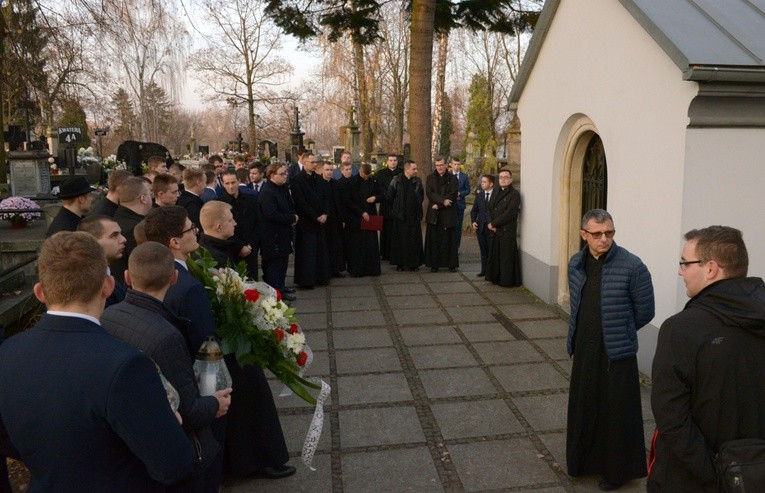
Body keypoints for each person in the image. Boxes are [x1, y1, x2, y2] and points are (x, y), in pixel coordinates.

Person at [0, 232, 196, 491]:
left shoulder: (8, 351)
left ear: (39, 292)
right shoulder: (126, 365)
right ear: (107, 287)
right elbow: (174, 465)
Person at [102, 242, 232, 493]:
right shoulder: (166, 337)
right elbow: (189, 409)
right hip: (176, 457)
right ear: (174, 279)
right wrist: (217, 404)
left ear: (127, 278)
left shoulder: (110, 315)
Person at [647, 226, 765, 493]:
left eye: (685, 263)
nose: (680, 271)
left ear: (711, 269)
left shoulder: (680, 329)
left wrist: (717, 475)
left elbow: (671, 418)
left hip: (694, 480)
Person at [566, 209, 655, 491]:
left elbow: (645, 311)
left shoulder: (633, 266)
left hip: (617, 352)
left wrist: (622, 331)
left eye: (610, 233)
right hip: (584, 348)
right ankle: (583, 462)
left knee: (615, 413)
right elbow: (577, 306)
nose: (604, 239)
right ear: (584, 235)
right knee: (585, 406)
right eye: (597, 234)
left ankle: (617, 472)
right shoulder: (576, 263)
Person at [290, 151, 331, 289]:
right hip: (307, 222)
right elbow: (300, 202)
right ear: (304, 162)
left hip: (321, 221)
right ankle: (306, 280)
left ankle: (321, 276)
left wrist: (325, 213)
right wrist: (315, 217)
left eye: (316, 162)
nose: (315, 165)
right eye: (312, 162)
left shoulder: (319, 179)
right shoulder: (297, 180)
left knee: (320, 250)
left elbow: (327, 197)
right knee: (307, 252)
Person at [258, 162, 298, 301]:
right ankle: (275, 292)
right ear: (272, 175)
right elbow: (271, 214)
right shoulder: (268, 192)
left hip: (283, 234)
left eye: (286, 173)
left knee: (283, 262)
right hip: (272, 236)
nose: (286, 176)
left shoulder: (282, 188)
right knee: (274, 266)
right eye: (282, 174)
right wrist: (291, 218)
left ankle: (281, 287)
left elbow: (289, 204)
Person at [78, 215, 128, 307]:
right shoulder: (91, 285)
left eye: (120, 234)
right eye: (114, 235)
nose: (123, 239)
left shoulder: (105, 274)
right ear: (92, 241)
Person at [218, 170, 260, 281]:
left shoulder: (251, 199)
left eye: (233, 182)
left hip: (251, 249)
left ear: (238, 181)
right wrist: (240, 247)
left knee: (252, 282)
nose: (231, 186)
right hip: (231, 250)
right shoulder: (219, 203)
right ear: (223, 184)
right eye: (227, 183)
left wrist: (250, 245)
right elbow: (221, 230)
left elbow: (259, 223)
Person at [112, 176, 154, 285]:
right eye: (150, 194)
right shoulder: (137, 229)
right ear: (143, 198)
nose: (152, 198)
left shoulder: (116, 220)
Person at [343, 163, 382, 277]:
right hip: (356, 217)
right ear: (360, 172)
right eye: (365, 175)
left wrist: (375, 198)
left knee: (371, 243)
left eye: (368, 175)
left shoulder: (374, 181)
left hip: (370, 216)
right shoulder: (352, 182)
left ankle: (372, 269)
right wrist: (361, 212)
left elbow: (382, 195)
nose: (366, 177)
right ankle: (357, 270)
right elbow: (348, 201)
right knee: (357, 244)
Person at [485, 168, 522, 287]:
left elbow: (509, 213)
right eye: (501, 177)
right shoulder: (495, 191)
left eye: (506, 177)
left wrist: (494, 224)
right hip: (495, 230)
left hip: (506, 230)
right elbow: (489, 208)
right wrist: (491, 224)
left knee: (506, 258)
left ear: (511, 180)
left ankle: (506, 281)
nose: (503, 179)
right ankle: (495, 278)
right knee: (495, 257)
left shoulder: (514, 194)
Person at [387, 160, 424, 271]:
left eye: (416, 169)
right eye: (414, 169)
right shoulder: (396, 180)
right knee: (400, 240)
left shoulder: (417, 182)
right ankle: (400, 263)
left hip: (413, 216)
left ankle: (414, 263)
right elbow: (389, 197)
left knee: (414, 241)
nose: (416, 171)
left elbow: (421, 197)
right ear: (407, 169)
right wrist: (395, 211)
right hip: (400, 216)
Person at [424, 156, 459, 272]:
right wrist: (442, 201)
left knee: (449, 240)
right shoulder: (430, 178)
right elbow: (430, 193)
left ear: (446, 165)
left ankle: (451, 265)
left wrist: (440, 205)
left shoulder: (453, 179)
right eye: (437, 165)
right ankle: (434, 265)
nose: (439, 167)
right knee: (434, 240)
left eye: (441, 165)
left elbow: (453, 194)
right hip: (434, 214)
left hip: (448, 213)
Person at [319, 161, 347, 277]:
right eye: (327, 170)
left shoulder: (336, 184)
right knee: (325, 244)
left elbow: (341, 202)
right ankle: (326, 269)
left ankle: (336, 269)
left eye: (331, 170)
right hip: (324, 218)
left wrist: (343, 218)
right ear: (322, 170)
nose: (329, 172)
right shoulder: (319, 184)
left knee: (336, 244)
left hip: (336, 218)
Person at [198, 201, 240, 268]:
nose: (235, 223)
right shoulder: (219, 260)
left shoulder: (200, 249)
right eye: (230, 220)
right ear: (219, 227)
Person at [376, 154, 403, 261]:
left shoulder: (401, 173)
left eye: (395, 160)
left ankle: (396, 252)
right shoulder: (381, 174)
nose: (393, 162)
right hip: (386, 205)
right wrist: (387, 195)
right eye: (391, 160)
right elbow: (379, 188)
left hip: (398, 205)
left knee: (396, 229)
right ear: (387, 162)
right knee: (385, 230)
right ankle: (385, 253)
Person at [471, 174, 494, 277]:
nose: (482, 183)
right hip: (480, 228)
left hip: (491, 228)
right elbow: (474, 210)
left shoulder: (496, 195)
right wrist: (473, 221)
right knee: (483, 250)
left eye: (484, 182)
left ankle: (491, 272)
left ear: (491, 184)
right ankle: (483, 270)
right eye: (482, 181)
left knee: (491, 250)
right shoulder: (479, 195)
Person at [451, 157, 471, 251]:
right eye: (455, 164)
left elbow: (468, 189)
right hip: (449, 205)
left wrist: (460, 194)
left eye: (458, 164)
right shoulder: (448, 175)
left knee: (458, 227)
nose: (456, 166)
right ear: (451, 165)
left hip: (460, 205)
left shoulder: (464, 176)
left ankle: (456, 248)